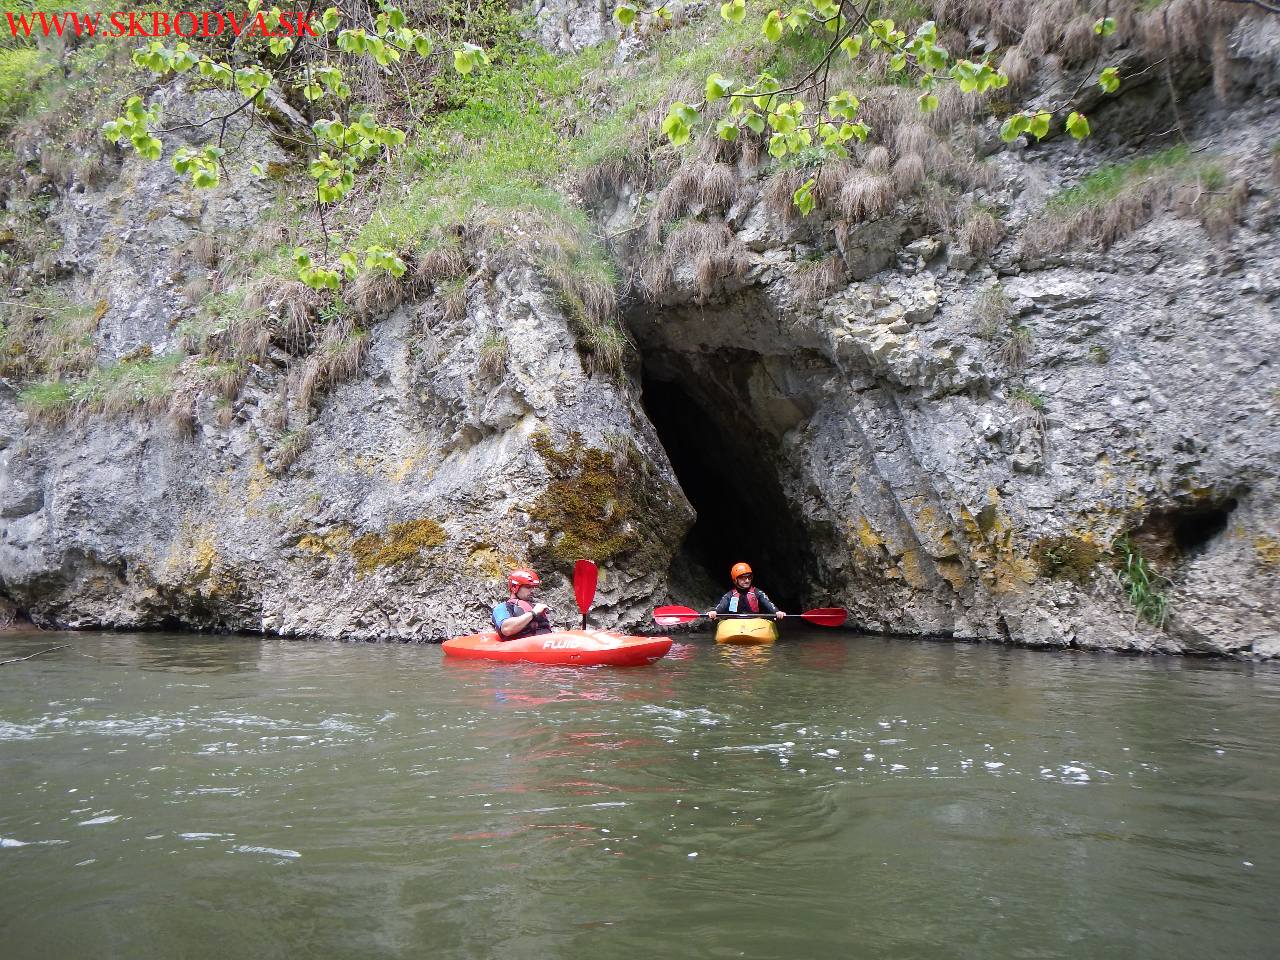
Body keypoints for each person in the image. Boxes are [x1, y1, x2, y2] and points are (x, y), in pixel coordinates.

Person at [707, 562, 786, 620]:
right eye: (743, 578)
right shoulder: (730, 594)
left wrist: (776, 612)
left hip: (755, 621)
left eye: (749, 577)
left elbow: (768, 603)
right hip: (734, 622)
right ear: (735, 580)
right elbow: (721, 605)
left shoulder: (758, 593)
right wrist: (714, 612)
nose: (747, 580)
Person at [493, 568, 554, 640]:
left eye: (533, 587)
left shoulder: (535, 606)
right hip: (520, 646)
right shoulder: (502, 607)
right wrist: (533, 613)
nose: (532, 591)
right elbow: (506, 629)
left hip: (546, 643)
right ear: (514, 587)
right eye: (528, 587)